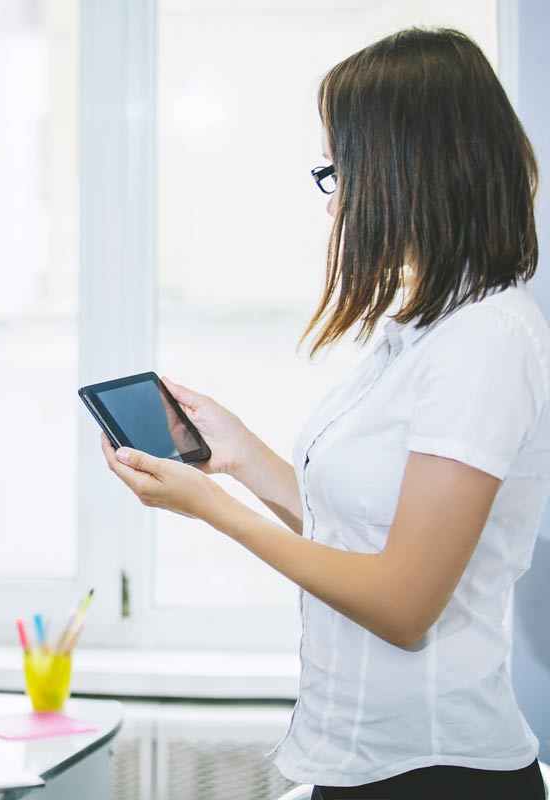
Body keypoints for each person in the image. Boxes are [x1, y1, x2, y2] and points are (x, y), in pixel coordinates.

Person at [100, 28, 548, 799]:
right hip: (357, 756)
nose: (335, 194)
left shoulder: (486, 342)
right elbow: (359, 531)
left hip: (434, 771)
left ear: (407, 168)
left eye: (339, 168)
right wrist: (239, 457)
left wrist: (213, 510)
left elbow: (404, 603)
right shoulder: (424, 331)